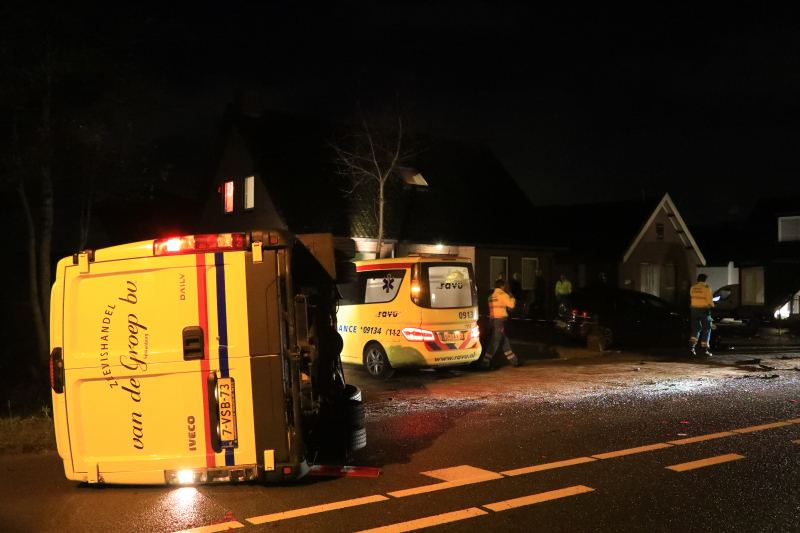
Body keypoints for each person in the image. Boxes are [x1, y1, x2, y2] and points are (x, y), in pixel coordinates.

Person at [478, 279, 520, 369]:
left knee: (504, 341)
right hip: (500, 321)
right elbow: (512, 305)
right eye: (505, 286)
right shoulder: (503, 295)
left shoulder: (491, 296)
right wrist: (511, 296)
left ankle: (514, 361)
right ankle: (485, 363)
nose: (506, 287)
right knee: (495, 341)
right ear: (502, 286)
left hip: (493, 321)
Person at [689, 273, 714, 357]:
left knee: (696, 328)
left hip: (694, 310)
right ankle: (704, 349)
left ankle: (692, 347)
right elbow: (709, 301)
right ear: (704, 280)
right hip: (704, 310)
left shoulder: (693, 288)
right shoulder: (706, 288)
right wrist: (712, 306)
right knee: (707, 328)